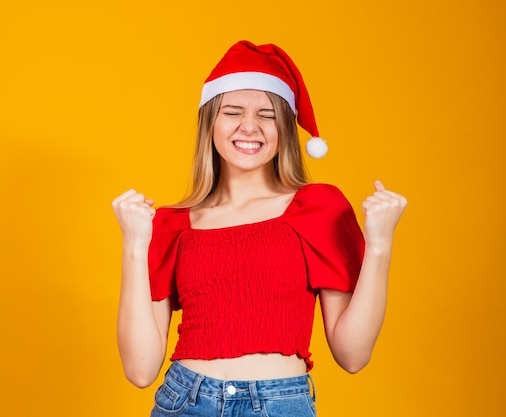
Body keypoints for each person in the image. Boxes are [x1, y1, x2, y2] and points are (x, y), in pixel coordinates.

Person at [112, 40, 407, 417]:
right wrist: (135, 246)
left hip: (280, 403)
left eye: (266, 115)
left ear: (284, 127)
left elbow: (353, 355)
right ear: (210, 125)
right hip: (184, 401)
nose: (249, 126)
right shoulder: (172, 226)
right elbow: (140, 370)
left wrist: (379, 245)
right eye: (232, 112)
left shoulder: (318, 210)